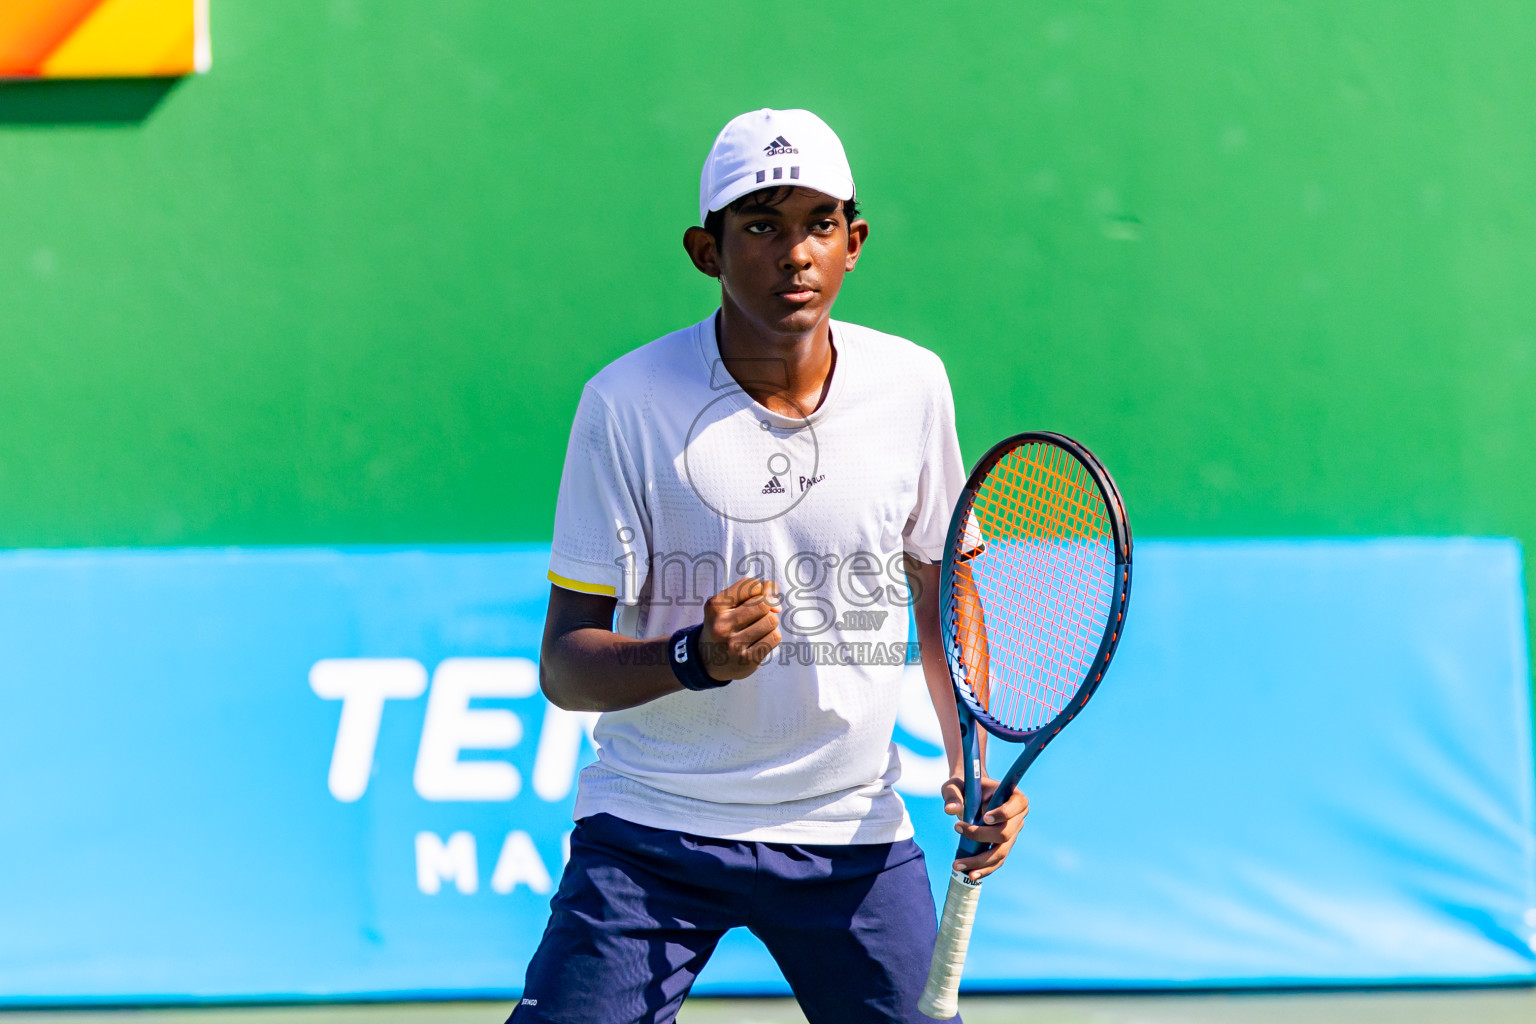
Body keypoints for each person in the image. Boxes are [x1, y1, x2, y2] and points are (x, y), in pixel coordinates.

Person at [509, 108, 1028, 1024]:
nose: (795, 254)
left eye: (819, 224)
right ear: (705, 251)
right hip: (651, 830)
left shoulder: (912, 385)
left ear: (854, 242)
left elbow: (940, 586)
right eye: (761, 226)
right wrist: (689, 659)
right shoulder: (623, 404)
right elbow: (564, 664)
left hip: (847, 830)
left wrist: (970, 758)